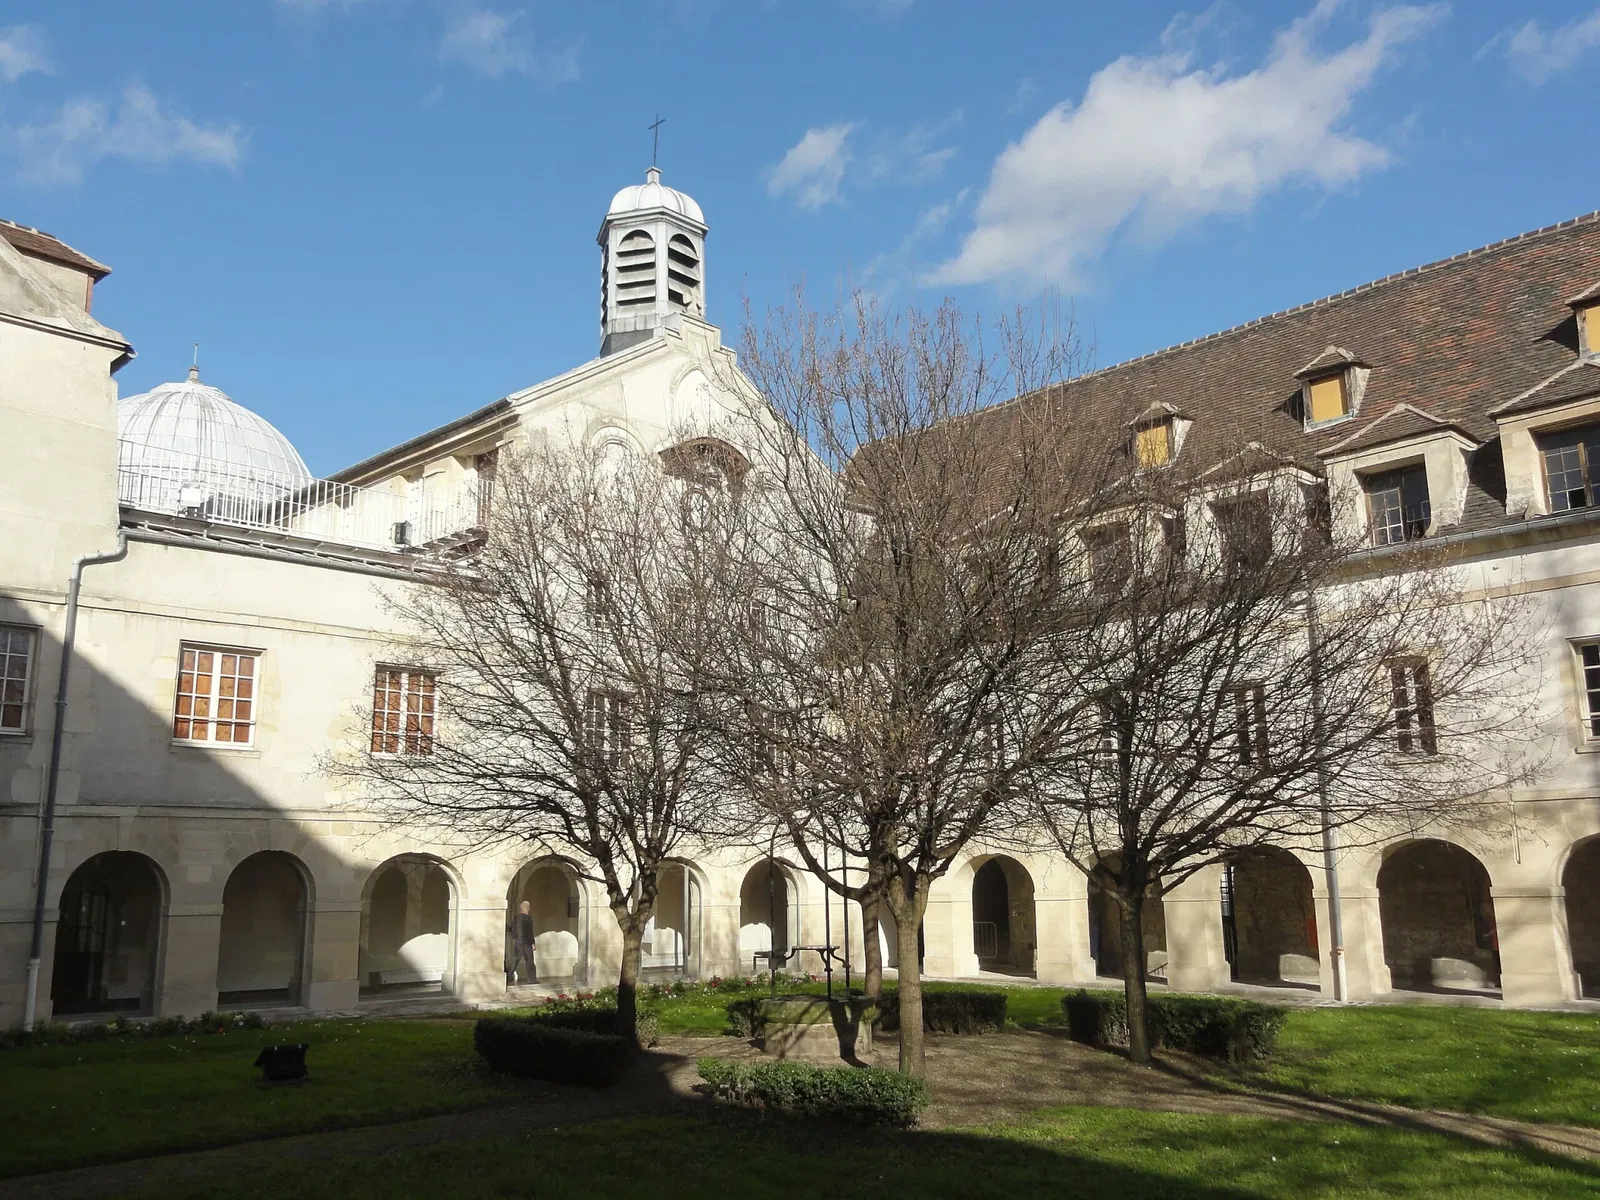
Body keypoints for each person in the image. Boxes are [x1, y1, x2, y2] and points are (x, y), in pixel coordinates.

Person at [510, 900, 536, 985]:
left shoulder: (515, 917)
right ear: (527, 908)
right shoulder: (528, 918)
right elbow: (529, 932)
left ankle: (508, 977)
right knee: (529, 961)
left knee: (515, 961)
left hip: (517, 942)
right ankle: (531, 979)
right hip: (526, 943)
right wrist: (532, 943)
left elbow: (513, 930)